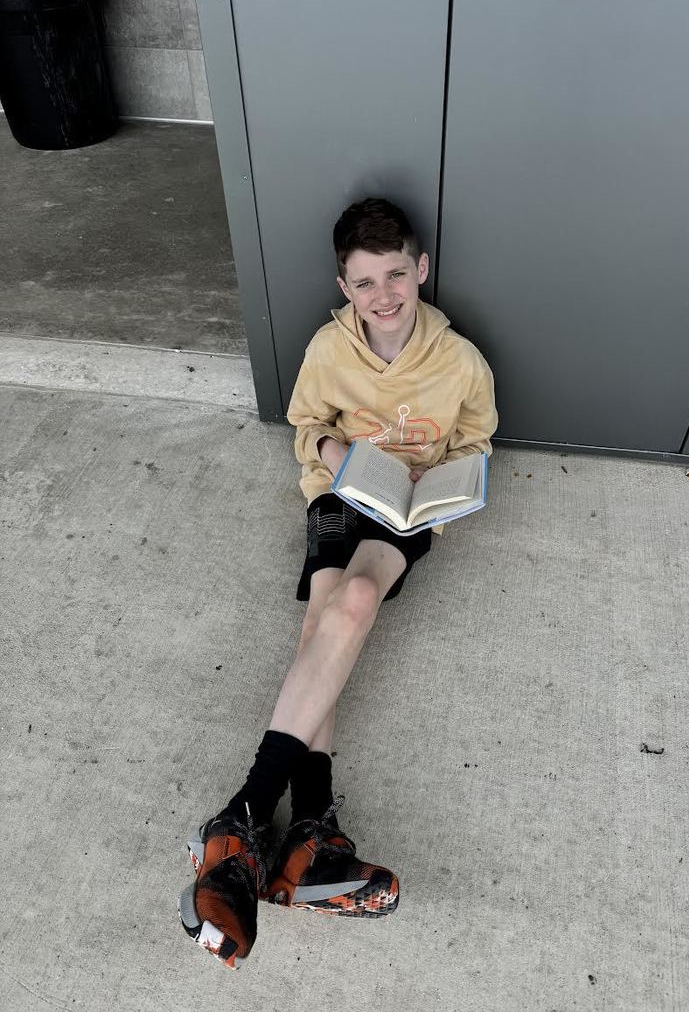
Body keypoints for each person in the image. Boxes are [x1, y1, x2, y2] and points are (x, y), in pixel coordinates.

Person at [178, 197, 498, 969]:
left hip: (408, 509)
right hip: (340, 491)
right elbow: (303, 420)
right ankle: (307, 835)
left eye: (397, 274)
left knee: (350, 603)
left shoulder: (461, 363)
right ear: (344, 286)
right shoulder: (329, 347)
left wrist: (443, 481)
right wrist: (327, 441)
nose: (384, 295)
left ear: (421, 269)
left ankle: (244, 823)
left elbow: (478, 439)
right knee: (330, 612)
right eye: (364, 282)